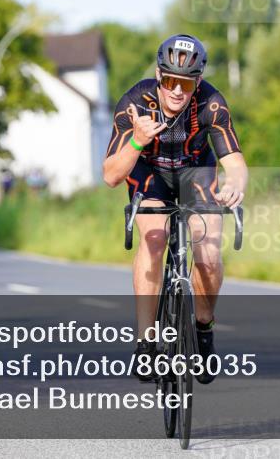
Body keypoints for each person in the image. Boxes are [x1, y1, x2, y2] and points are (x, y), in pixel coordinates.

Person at [102, 34, 248, 384]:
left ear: (197, 82)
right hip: (149, 171)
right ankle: (146, 341)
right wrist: (138, 140)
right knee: (154, 238)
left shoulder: (211, 103)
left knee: (208, 253)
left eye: (186, 83)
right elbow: (110, 176)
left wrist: (236, 183)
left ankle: (203, 326)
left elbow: (235, 160)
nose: (178, 91)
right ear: (158, 74)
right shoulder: (135, 103)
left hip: (195, 171)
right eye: (170, 81)